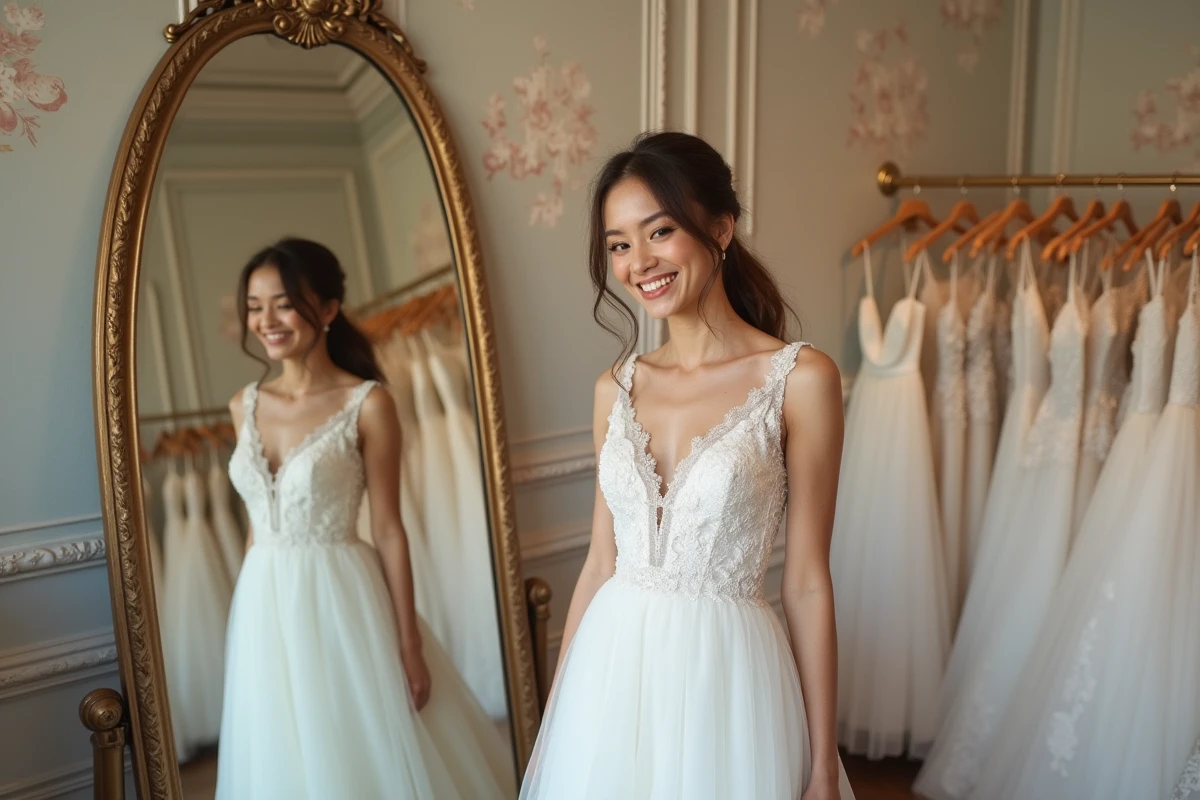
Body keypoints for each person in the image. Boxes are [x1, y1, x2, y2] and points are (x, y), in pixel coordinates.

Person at [519, 132, 856, 800]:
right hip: (611, 677)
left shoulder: (801, 379)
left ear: (721, 228)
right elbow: (599, 563)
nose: (638, 261)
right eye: (618, 244)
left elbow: (810, 582)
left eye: (659, 231)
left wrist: (822, 764)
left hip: (729, 683)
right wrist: (557, 724)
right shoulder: (612, 388)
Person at [215, 238, 513, 799]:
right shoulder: (243, 405)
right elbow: (258, 520)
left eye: (283, 303)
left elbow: (389, 529)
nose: (267, 321)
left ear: (327, 309)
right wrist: (249, 607)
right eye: (255, 306)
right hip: (261, 600)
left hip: (341, 596)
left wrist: (408, 643)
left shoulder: (368, 403)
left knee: (356, 743)